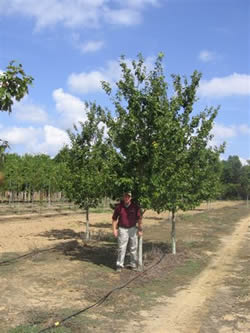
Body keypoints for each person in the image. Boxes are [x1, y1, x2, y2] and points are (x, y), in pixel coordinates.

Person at [112, 191, 143, 272]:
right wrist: (114, 229)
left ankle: (133, 264)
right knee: (121, 248)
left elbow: (139, 219)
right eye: (125, 196)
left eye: (128, 197)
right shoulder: (119, 207)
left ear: (130, 198)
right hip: (122, 229)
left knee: (133, 247)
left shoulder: (135, 207)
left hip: (133, 229)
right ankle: (119, 265)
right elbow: (114, 218)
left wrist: (140, 229)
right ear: (123, 197)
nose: (127, 198)